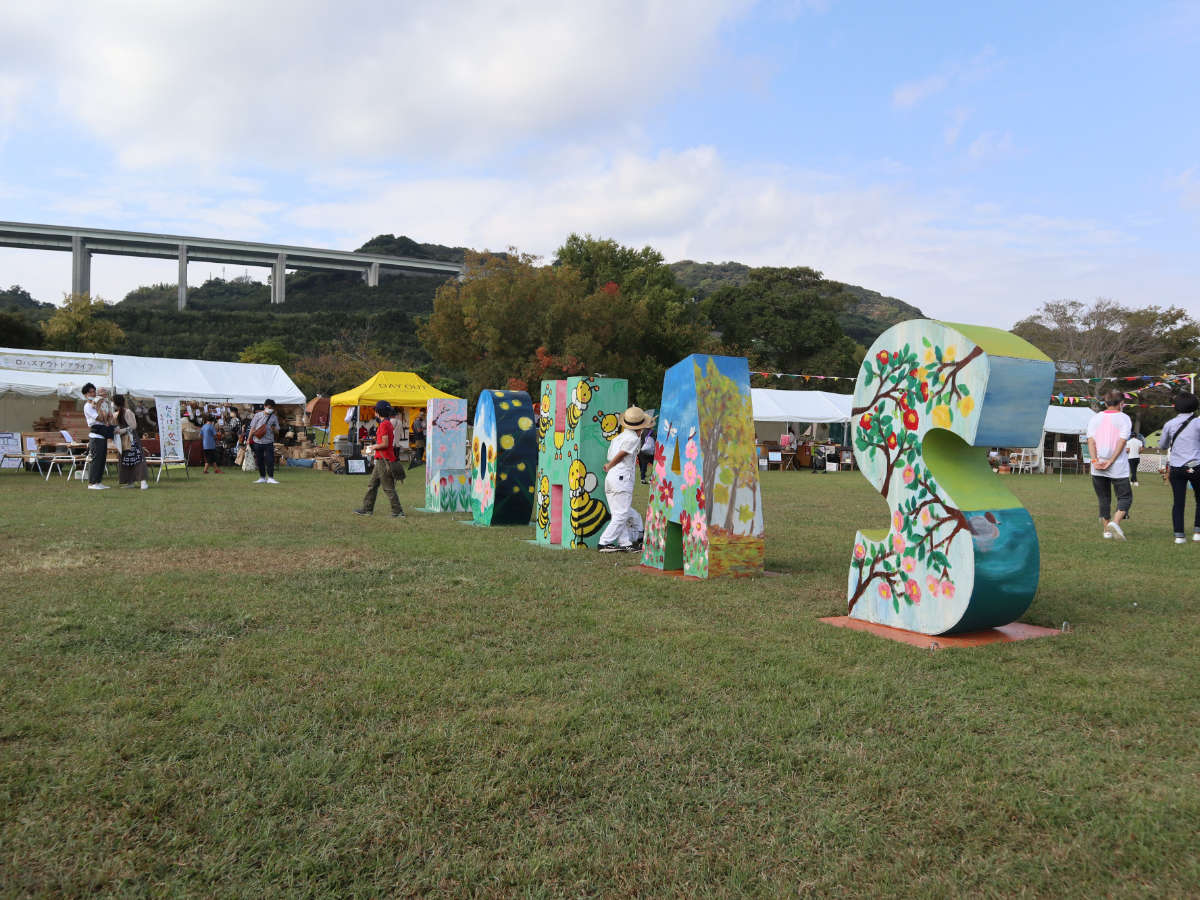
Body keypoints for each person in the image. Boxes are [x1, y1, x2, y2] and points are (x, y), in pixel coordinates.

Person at [598, 406, 653, 552]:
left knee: (620, 513)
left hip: (611, 478)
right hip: (621, 477)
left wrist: (610, 466)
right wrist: (610, 465)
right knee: (621, 514)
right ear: (640, 426)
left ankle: (625, 542)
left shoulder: (618, 437)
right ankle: (604, 542)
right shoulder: (633, 438)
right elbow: (623, 454)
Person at [1086, 389, 1133, 540]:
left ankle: (1107, 531)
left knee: (1104, 498)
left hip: (1098, 465)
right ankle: (1115, 522)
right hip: (1118, 465)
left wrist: (1094, 461)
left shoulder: (1095, 418)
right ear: (1122, 403)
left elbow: (1091, 441)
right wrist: (1111, 461)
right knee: (1125, 497)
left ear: (1105, 403)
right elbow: (1122, 441)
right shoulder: (1124, 418)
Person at [1159, 392, 1200, 544]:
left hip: (1176, 467)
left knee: (1178, 502)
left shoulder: (1169, 424)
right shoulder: (1198, 423)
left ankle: (1179, 535)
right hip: (1196, 465)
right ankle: (1198, 532)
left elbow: (1162, 445)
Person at [354, 400, 405, 518]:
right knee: (372, 485)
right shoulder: (386, 423)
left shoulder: (383, 424)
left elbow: (385, 443)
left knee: (388, 488)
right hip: (382, 459)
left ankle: (398, 512)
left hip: (384, 460)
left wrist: (372, 447)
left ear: (377, 412)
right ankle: (367, 509)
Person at [112, 394, 149, 489]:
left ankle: (143, 481)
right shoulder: (115, 414)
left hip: (132, 439)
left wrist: (121, 431)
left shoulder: (128, 412)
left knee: (137, 459)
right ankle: (130, 482)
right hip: (122, 440)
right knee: (125, 460)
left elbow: (133, 426)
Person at [81, 382, 114, 490]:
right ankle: (92, 483)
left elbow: (107, 418)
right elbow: (99, 418)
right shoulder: (88, 406)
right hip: (96, 434)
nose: (94, 393)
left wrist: (105, 408)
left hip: (103, 433)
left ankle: (98, 482)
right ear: (86, 395)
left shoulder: (98, 404)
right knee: (96, 459)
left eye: (94, 391)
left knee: (102, 459)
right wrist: (99, 407)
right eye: (91, 392)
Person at [247, 399, 280, 484]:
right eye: (269, 407)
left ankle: (271, 478)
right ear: (264, 406)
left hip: (269, 442)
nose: (270, 409)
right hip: (257, 441)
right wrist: (248, 439)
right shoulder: (257, 415)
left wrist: (274, 429)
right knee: (259, 460)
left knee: (270, 460)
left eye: (272, 408)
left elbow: (277, 431)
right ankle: (262, 477)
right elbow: (252, 428)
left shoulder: (274, 417)